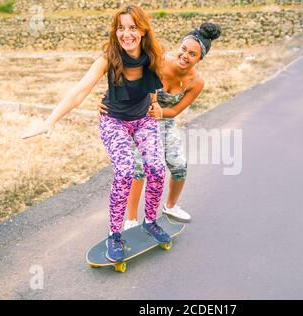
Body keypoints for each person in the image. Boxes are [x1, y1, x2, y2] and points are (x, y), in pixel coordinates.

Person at [21, 4, 171, 262]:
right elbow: (79, 92)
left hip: (143, 120)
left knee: (157, 169)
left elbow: (153, 85)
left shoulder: (154, 55)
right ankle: (115, 234)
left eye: (133, 27)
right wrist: (50, 121)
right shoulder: (107, 59)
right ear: (115, 32)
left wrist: (155, 102)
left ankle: (150, 221)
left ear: (143, 31)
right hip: (114, 122)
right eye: (121, 28)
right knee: (125, 172)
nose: (127, 34)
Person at [98, 23, 221, 229]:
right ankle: (131, 219)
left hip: (165, 123)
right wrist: (106, 100)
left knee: (179, 165)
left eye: (192, 54)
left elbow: (175, 111)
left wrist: (161, 112)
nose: (185, 55)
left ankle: (170, 206)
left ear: (200, 58)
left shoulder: (197, 82)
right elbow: (127, 82)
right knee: (140, 168)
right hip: (139, 120)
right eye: (183, 49)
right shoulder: (158, 62)